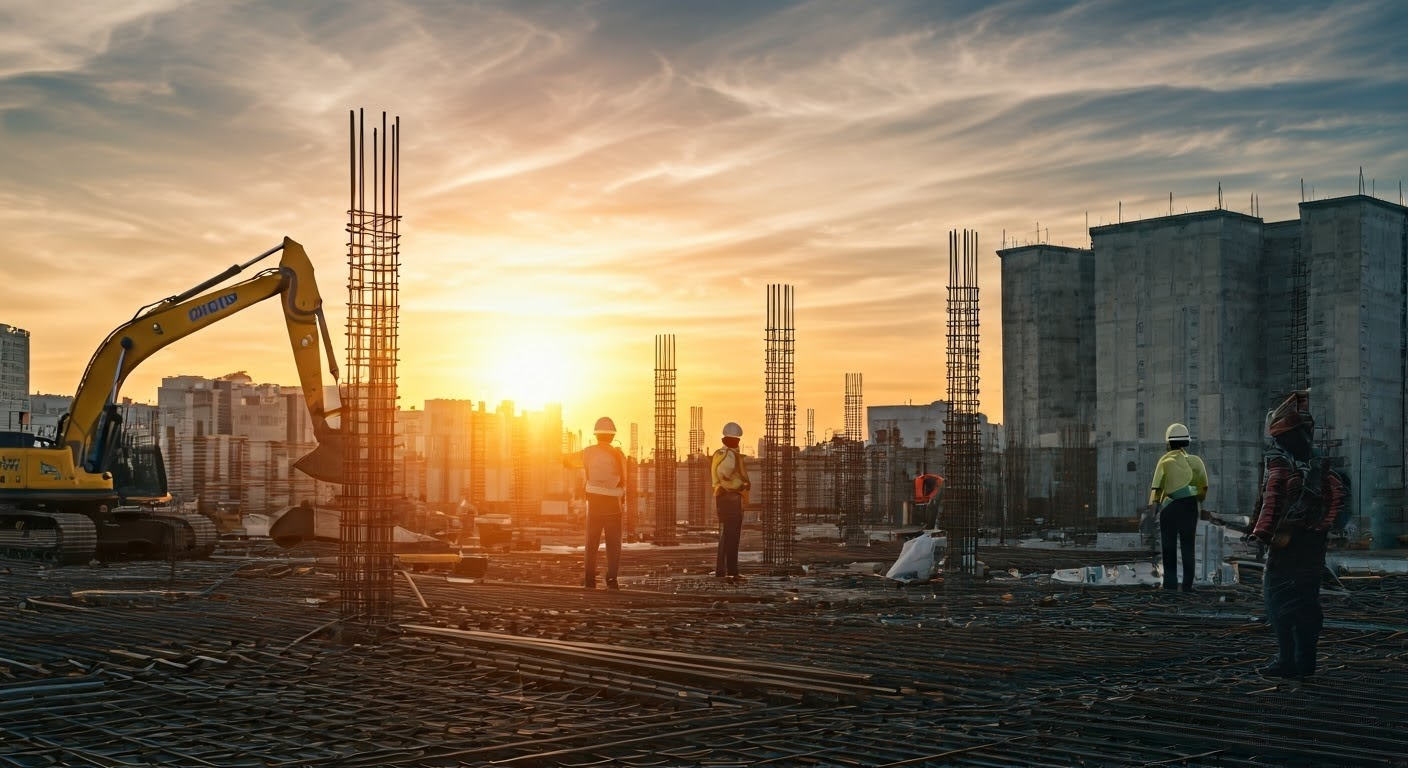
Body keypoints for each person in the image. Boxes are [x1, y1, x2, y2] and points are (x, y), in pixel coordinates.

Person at [1252, 392, 1346, 678]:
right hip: (1312, 547)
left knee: (1278, 600)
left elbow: (1273, 499)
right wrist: (1319, 529)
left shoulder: (1280, 460)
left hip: (1287, 546)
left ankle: (1287, 661)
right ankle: (1306, 662)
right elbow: (1337, 505)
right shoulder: (1322, 468)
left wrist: (1261, 534)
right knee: (1307, 602)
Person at [1148, 422, 1208, 591]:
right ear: (1186, 441)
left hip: (1169, 508)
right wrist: (1195, 499)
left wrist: (1153, 512)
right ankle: (1188, 586)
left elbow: (1156, 490)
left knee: (1169, 548)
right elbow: (1203, 489)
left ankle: (1170, 585)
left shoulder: (1164, 461)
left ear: (1168, 442)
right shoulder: (1196, 462)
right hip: (1189, 507)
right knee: (1188, 547)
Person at [581, 416, 627, 590]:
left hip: (593, 502)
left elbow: (586, 473)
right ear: (613, 436)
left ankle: (589, 579)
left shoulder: (588, 452)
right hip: (612, 503)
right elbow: (623, 479)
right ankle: (612, 579)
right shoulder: (618, 454)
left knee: (591, 542)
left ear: (596, 434)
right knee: (613, 544)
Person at [710, 421, 751, 583]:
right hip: (730, 497)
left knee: (726, 535)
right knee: (732, 535)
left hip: (724, 497)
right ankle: (731, 571)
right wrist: (741, 485)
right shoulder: (729, 456)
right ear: (736, 441)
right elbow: (726, 477)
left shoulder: (720, 454)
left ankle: (723, 570)